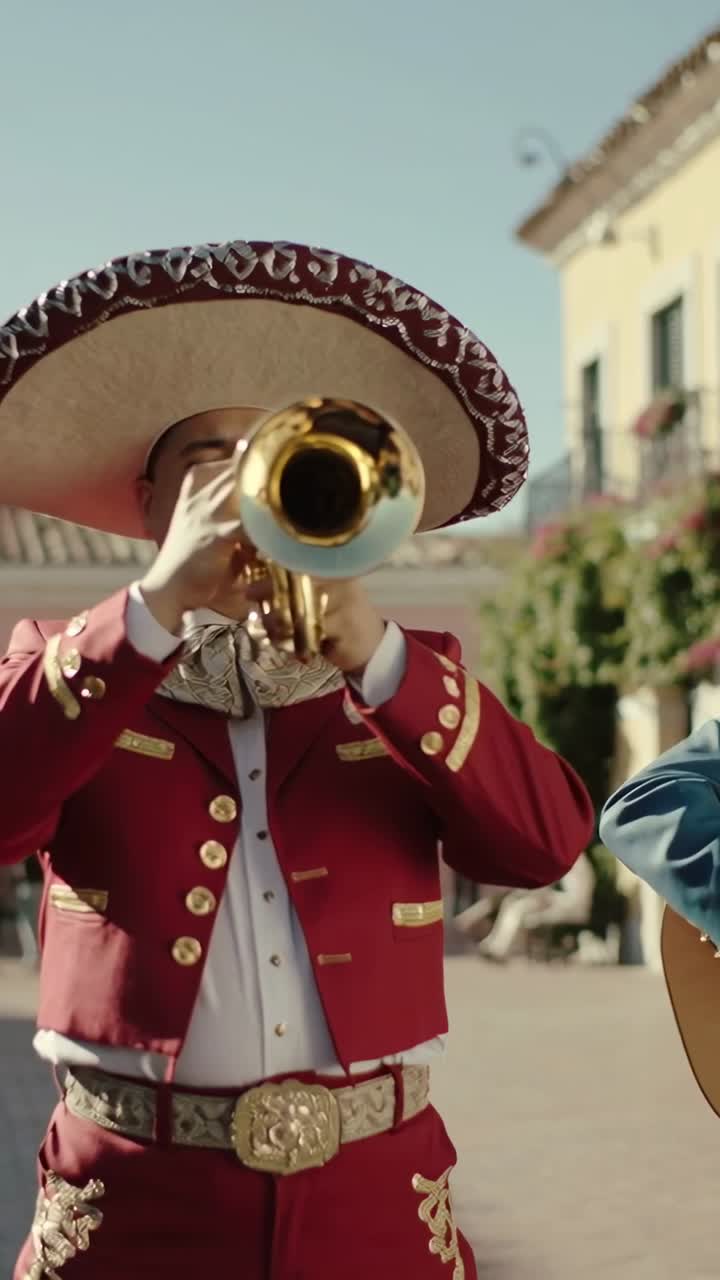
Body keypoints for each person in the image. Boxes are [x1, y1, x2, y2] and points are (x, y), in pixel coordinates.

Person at [0, 239, 594, 1280]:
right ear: (150, 505)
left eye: (272, 459)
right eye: (210, 465)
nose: (247, 495)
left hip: (378, 1198)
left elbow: (546, 842)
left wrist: (378, 654)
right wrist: (146, 616)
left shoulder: (412, 679)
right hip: (134, 1203)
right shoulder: (63, 663)